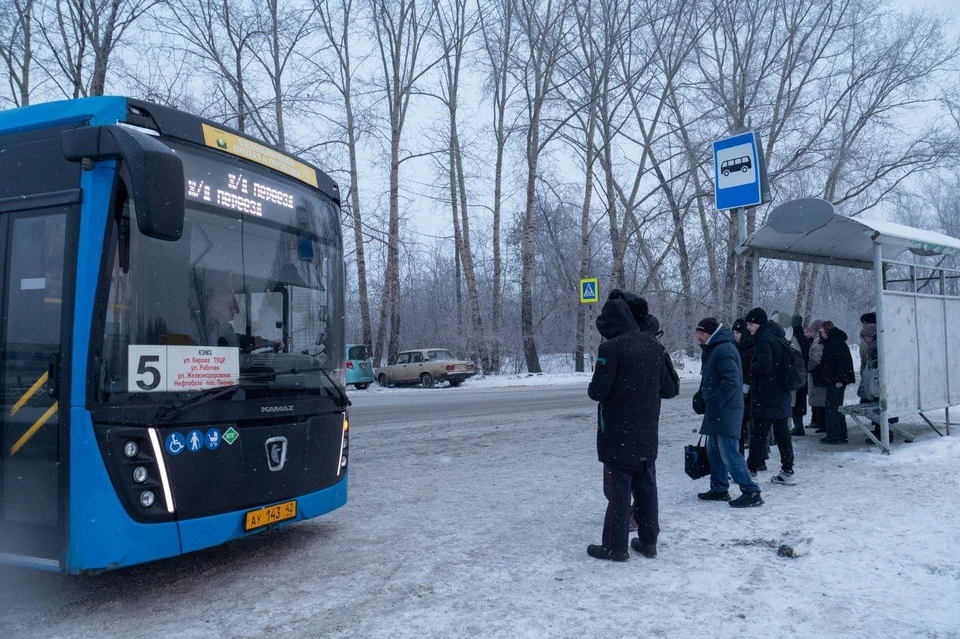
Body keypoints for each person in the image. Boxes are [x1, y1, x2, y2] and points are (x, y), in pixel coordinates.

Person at [586, 298, 678, 562]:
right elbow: (670, 389)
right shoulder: (654, 346)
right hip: (647, 430)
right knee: (647, 486)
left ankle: (615, 548)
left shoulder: (611, 348)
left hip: (618, 432)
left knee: (619, 489)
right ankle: (649, 542)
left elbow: (597, 392)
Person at [694, 318, 763, 507]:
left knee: (729, 453)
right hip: (718, 409)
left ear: (709, 333)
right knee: (714, 451)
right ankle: (719, 488)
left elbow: (731, 381)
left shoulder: (723, 349)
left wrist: (715, 400)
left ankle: (751, 491)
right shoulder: (715, 349)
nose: (698, 337)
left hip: (726, 410)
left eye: (700, 333)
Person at [744, 307, 797, 486]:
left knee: (758, 434)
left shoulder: (764, 339)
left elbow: (765, 366)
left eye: (751, 324)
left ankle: (750, 470)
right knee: (782, 435)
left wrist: (749, 368)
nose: (748, 328)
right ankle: (788, 471)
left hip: (767, 395)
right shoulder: (778, 337)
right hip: (780, 394)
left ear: (759, 323)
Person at [816, 321, 857, 444]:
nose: (821, 335)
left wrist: (840, 379)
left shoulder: (837, 344)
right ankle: (839, 434)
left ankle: (834, 435)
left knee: (833, 408)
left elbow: (844, 363)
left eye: (822, 332)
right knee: (835, 407)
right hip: (833, 380)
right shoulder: (834, 342)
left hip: (836, 381)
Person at [790, 315, 811, 436]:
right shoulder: (803, 338)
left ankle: (798, 426)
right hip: (803, 372)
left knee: (795, 401)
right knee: (800, 400)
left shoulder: (793, 338)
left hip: (796, 373)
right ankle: (799, 425)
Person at [806, 320, 827, 433]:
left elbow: (816, 358)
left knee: (820, 400)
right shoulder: (819, 340)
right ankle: (822, 423)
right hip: (818, 375)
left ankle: (822, 423)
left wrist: (809, 367)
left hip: (817, 375)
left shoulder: (817, 341)